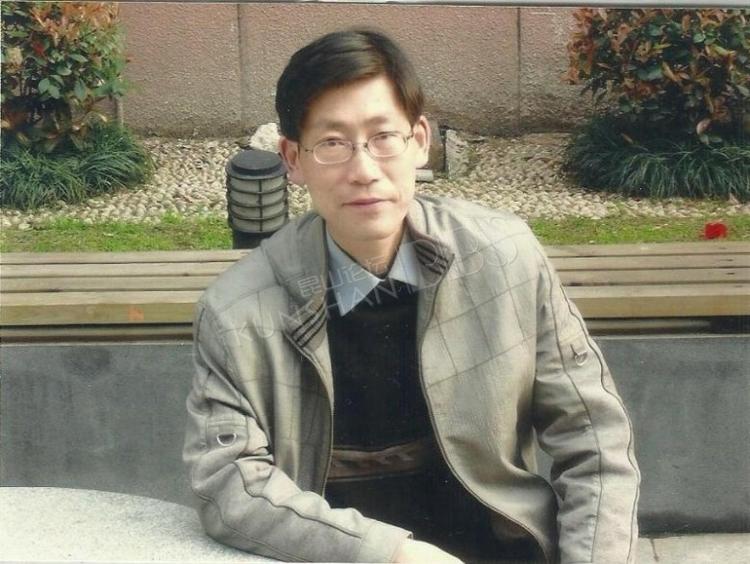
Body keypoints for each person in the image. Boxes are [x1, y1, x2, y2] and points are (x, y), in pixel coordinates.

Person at [183, 28, 640, 564]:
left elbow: (594, 440)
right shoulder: (237, 312)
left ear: (420, 141)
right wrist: (394, 555)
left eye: (384, 136)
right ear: (292, 159)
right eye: (332, 144)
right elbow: (230, 484)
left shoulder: (506, 259)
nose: (364, 170)